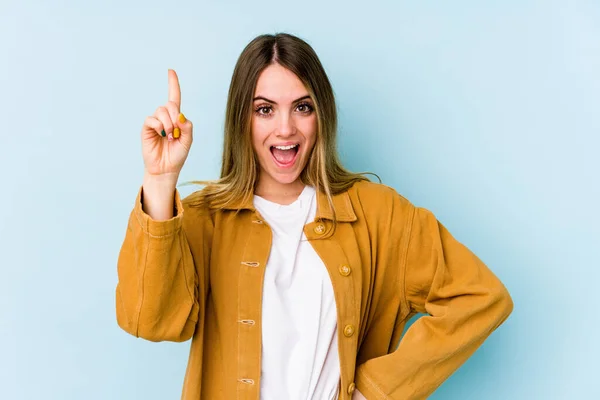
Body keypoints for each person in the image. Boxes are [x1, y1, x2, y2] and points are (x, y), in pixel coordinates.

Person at [115, 33, 514, 400]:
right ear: (242, 119)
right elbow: (148, 320)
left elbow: (480, 298)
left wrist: (374, 390)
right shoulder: (205, 219)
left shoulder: (379, 214)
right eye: (265, 110)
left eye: (302, 107)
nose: (285, 128)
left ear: (321, 114)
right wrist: (160, 180)